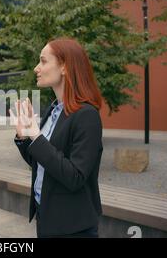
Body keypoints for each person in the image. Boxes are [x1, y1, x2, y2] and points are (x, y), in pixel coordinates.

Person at [9, 38, 103, 238]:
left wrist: (36, 136)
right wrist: (24, 137)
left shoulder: (87, 115)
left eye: (43, 61)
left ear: (64, 68)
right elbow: (41, 162)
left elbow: (75, 177)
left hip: (73, 227)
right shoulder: (53, 110)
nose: (36, 68)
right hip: (46, 218)